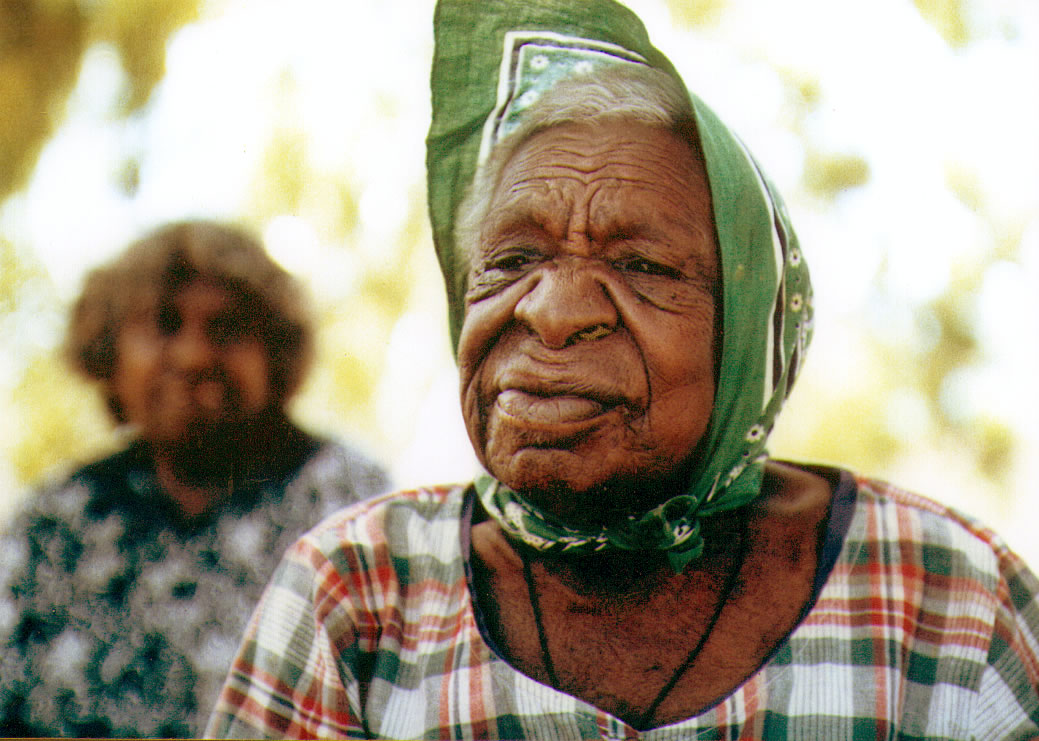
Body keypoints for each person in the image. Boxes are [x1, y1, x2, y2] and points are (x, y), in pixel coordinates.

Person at [207, 2, 1039, 739]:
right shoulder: (358, 595)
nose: (554, 311)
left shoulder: (946, 600)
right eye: (511, 259)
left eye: (642, 266)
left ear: (751, 337)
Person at [0, 220, 390, 737]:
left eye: (227, 329)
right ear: (108, 355)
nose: (193, 356)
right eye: (162, 326)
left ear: (274, 353)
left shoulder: (353, 505)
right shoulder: (54, 526)